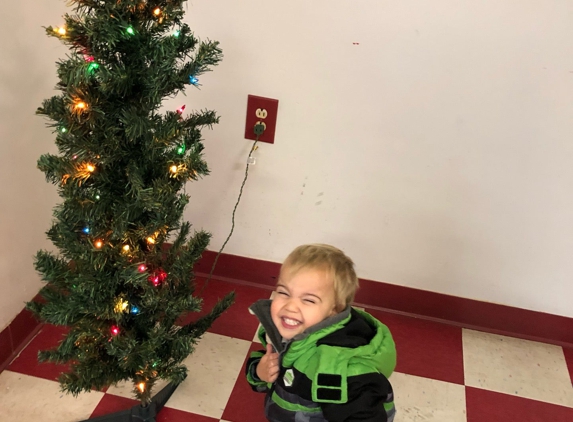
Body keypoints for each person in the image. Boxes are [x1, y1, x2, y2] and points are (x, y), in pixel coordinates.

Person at [246, 244, 397, 422]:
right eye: (283, 292)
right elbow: (273, 361)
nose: (290, 306)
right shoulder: (289, 331)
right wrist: (259, 372)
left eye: (309, 300)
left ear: (335, 309)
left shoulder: (337, 368)